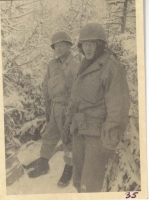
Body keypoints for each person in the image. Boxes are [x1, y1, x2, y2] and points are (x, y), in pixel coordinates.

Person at [62, 23, 130, 192]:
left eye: (93, 44)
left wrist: (109, 142)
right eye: (85, 44)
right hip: (79, 133)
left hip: (97, 138)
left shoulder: (111, 67)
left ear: (100, 45)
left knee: (90, 187)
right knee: (78, 182)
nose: (89, 48)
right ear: (81, 46)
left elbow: (118, 109)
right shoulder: (83, 66)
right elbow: (75, 98)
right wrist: (68, 125)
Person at [28, 31, 80, 188]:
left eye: (61, 45)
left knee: (68, 139)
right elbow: (46, 84)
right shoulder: (52, 64)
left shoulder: (75, 64)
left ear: (69, 46)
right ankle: (44, 164)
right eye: (56, 46)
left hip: (67, 107)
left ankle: (69, 168)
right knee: (49, 135)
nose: (58, 49)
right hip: (54, 106)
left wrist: (72, 110)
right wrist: (48, 106)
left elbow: (77, 88)